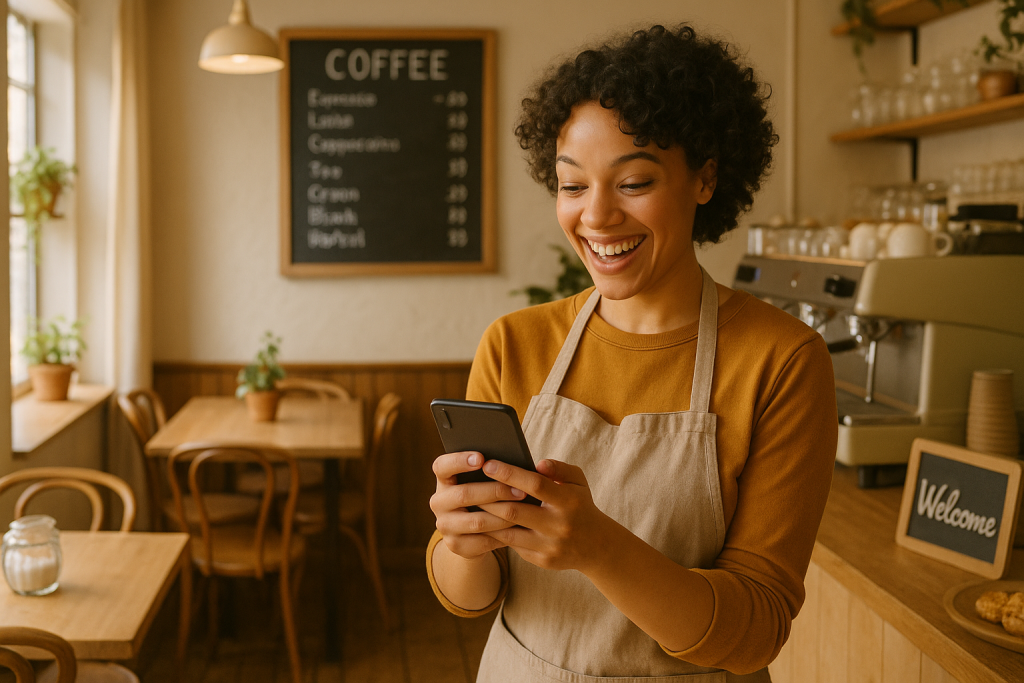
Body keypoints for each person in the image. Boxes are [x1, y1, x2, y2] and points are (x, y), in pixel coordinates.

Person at [426, 24, 838, 682]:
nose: (596, 216)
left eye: (634, 182)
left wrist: (599, 547)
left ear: (705, 177)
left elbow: (755, 629)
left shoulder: (782, 361)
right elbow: (468, 596)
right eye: (571, 185)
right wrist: (462, 542)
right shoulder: (514, 343)